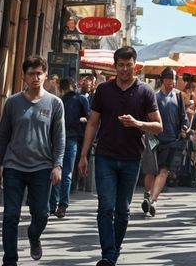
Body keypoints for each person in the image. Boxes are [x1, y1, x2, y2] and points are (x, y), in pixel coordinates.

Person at [78, 43, 162, 266]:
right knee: (106, 206)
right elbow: (93, 123)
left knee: (122, 210)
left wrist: (137, 123)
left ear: (136, 67)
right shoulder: (104, 90)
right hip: (104, 156)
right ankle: (109, 254)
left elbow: (158, 126)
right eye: (121, 65)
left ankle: (112, 253)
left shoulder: (145, 92)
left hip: (131, 159)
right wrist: (84, 155)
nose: (125, 69)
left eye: (129, 65)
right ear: (115, 67)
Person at [0, 56, 64, 266]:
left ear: (45, 76)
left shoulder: (54, 103)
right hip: (14, 166)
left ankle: (34, 236)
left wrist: (57, 165)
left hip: (42, 167)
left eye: (39, 73)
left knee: (41, 214)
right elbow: (2, 135)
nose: (35, 77)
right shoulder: (13, 102)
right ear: (24, 76)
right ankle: (10, 260)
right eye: (31, 73)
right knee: (10, 216)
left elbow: (59, 137)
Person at [141, 69, 187, 216]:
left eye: (173, 79)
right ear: (163, 80)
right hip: (154, 138)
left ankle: (153, 200)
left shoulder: (179, 97)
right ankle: (147, 195)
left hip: (171, 139)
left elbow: (183, 117)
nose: (171, 82)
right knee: (151, 169)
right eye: (168, 79)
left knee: (164, 170)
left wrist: (184, 128)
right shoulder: (154, 96)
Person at [51, 77, 89, 220]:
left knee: (55, 171)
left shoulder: (57, 100)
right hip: (72, 139)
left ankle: (52, 204)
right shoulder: (81, 99)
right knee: (66, 173)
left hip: (57, 139)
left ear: (61, 88)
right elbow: (89, 117)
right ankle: (62, 205)